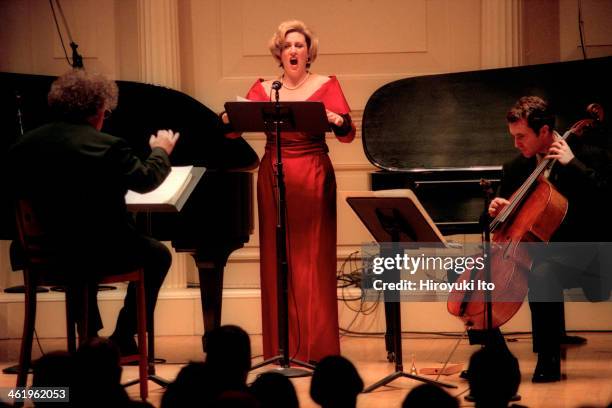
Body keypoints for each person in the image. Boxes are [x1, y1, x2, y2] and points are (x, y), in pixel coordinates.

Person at [7, 69, 179, 354]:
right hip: (98, 251)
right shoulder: (108, 146)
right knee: (157, 255)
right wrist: (160, 151)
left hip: (39, 252)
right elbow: (146, 179)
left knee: (73, 242)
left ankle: (88, 336)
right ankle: (123, 336)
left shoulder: (23, 146)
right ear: (99, 108)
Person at [221, 20, 356, 363]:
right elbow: (232, 130)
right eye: (287, 46)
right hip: (274, 176)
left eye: (299, 45)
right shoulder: (265, 88)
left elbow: (347, 132)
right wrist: (226, 117)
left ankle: (316, 350)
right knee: (276, 259)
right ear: (279, 54)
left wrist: (338, 120)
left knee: (312, 261)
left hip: (312, 174)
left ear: (309, 53)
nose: (294, 50)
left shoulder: (327, 85)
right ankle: (280, 349)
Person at [488, 96, 612, 382]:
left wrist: (573, 165)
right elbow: (496, 223)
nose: (516, 143)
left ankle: (549, 360)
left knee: (542, 273)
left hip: (584, 254)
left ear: (544, 131)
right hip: (530, 251)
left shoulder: (589, 156)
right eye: (513, 136)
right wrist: (493, 209)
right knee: (464, 273)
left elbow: (606, 199)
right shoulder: (515, 168)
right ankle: (494, 356)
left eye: (521, 136)